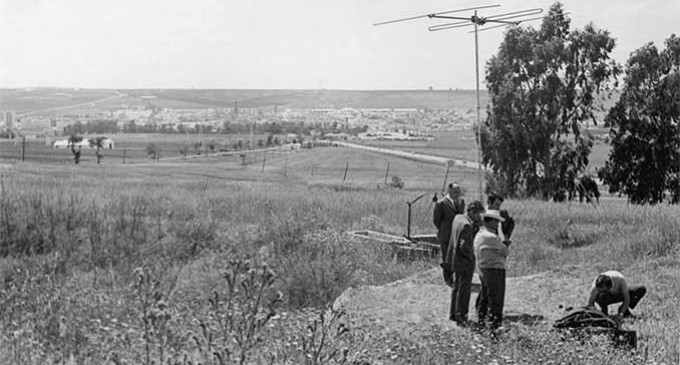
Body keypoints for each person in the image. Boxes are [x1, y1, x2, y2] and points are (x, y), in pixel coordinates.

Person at [447, 200, 484, 325]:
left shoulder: (458, 218)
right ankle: (461, 316)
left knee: (456, 287)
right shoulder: (467, 226)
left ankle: (453, 314)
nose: (479, 217)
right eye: (478, 214)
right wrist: (472, 257)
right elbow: (464, 246)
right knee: (464, 290)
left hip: (455, 259)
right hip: (464, 262)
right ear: (472, 212)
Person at [474, 209, 509, 330]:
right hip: (494, 269)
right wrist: (505, 243)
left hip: (484, 269)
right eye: (496, 221)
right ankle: (495, 327)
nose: (498, 224)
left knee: (485, 297)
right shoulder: (491, 237)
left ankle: (481, 323)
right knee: (496, 300)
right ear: (491, 221)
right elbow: (505, 251)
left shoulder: (480, 234)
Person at [433, 183, 465, 286]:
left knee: (457, 256)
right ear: (449, 191)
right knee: (447, 256)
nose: (457, 194)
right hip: (446, 235)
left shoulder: (460, 202)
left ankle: (458, 277)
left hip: (457, 234)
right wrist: (444, 229)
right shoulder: (441, 204)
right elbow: (436, 221)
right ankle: (448, 279)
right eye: (455, 192)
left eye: (459, 192)